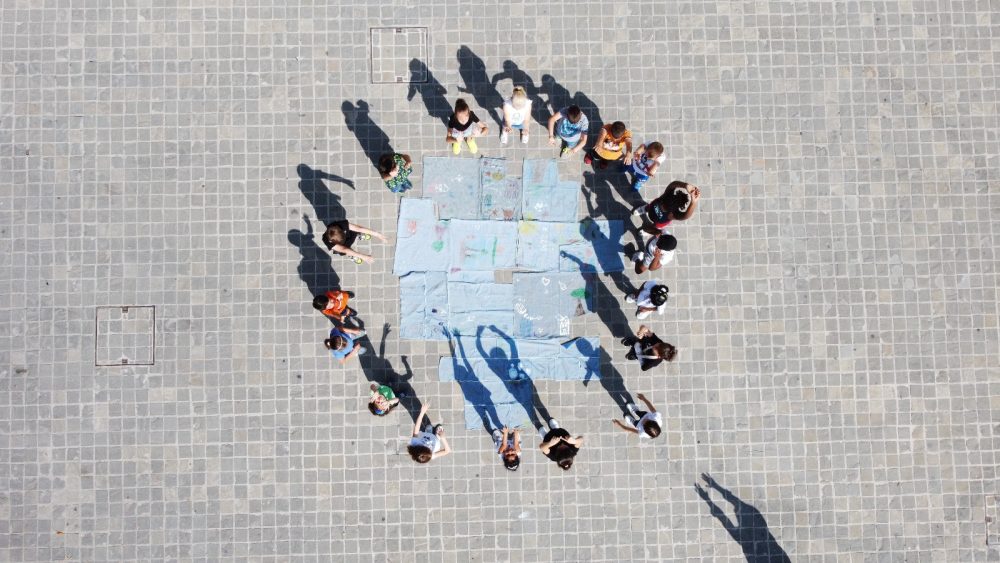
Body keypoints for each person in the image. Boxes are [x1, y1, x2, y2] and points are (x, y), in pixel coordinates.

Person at [633, 180, 702, 235]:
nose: (661, 207)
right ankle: (643, 209)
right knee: (648, 207)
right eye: (662, 204)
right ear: (666, 197)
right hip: (651, 208)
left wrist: (693, 202)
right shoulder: (667, 194)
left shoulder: (673, 214)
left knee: (654, 227)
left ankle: (647, 231)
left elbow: (685, 216)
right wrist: (685, 185)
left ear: (672, 210)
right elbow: (673, 184)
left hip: (658, 222)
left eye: (664, 208)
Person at [322, 220, 387, 264]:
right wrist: (364, 257)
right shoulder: (327, 241)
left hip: (348, 236)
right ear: (331, 241)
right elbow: (344, 249)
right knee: (343, 252)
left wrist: (378, 235)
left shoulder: (340, 224)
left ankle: (358, 235)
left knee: (355, 230)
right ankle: (352, 255)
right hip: (343, 247)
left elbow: (359, 228)